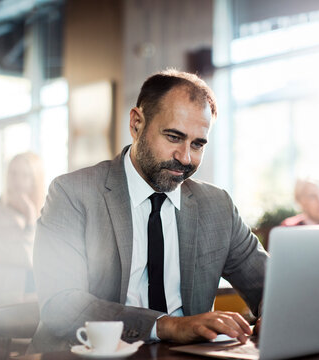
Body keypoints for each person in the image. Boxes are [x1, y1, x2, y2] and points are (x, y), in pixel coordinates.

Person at [30, 70, 268, 353]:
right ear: (136, 123)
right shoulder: (72, 194)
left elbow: (270, 286)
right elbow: (60, 305)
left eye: (197, 144)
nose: (185, 157)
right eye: (173, 137)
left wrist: (278, 312)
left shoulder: (217, 207)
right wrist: (168, 326)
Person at [0, 152, 45, 305]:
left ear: (35, 180)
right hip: (13, 296)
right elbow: (26, 257)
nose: (18, 180)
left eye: (26, 175)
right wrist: (31, 218)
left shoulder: (46, 212)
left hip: (41, 293)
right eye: (13, 173)